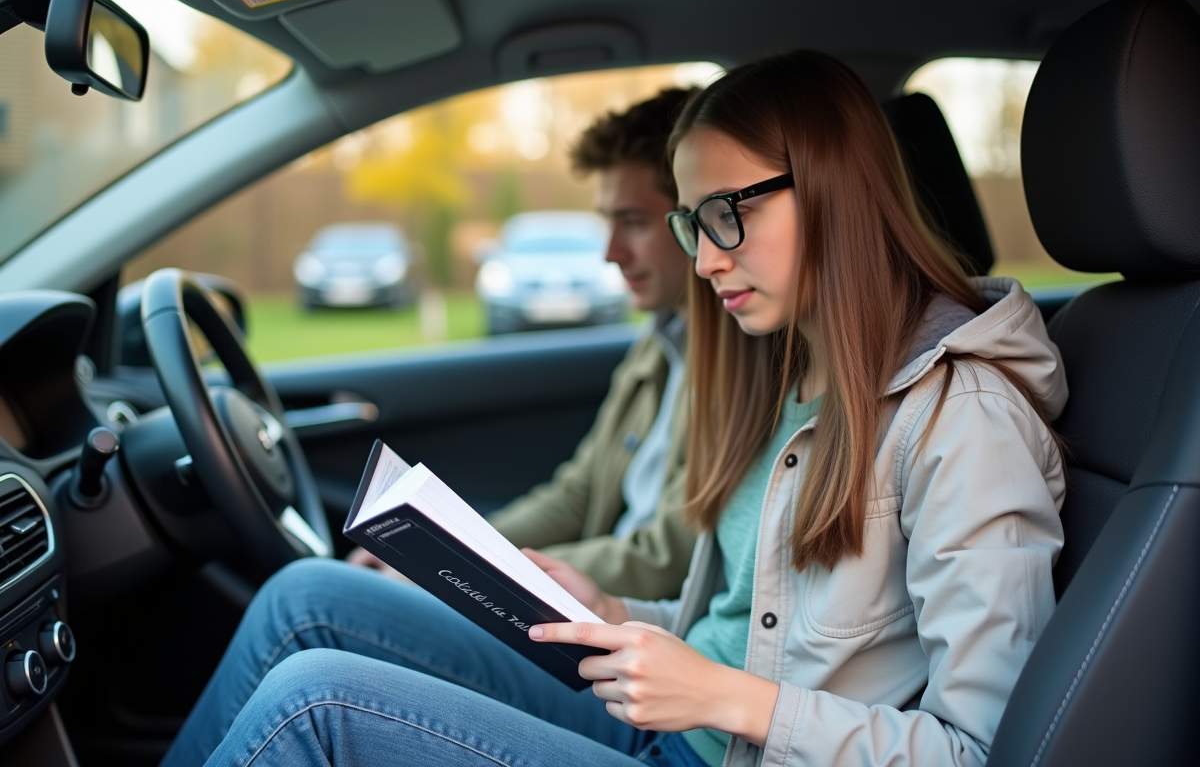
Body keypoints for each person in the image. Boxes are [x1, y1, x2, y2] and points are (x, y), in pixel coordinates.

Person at [163, 50, 1066, 767]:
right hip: (670, 726)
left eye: (725, 214)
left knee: (315, 702)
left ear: (832, 189)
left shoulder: (966, 418)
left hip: (723, 749)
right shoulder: (797, 378)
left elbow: (983, 750)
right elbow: (751, 629)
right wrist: (620, 611)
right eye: (688, 223)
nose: (705, 259)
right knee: (306, 597)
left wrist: (723, 701)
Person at [349, 87, 697, 600]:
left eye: (635, 222)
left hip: (625, 628)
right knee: (321, 592)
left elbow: (662, 560)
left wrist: (461, 570)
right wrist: (447, 546)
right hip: (589, 611)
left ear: (694, 218)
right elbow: (576, 494)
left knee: (309, 602)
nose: (611, 252)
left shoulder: (748, 367)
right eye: (607, 220)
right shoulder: (661, 340)